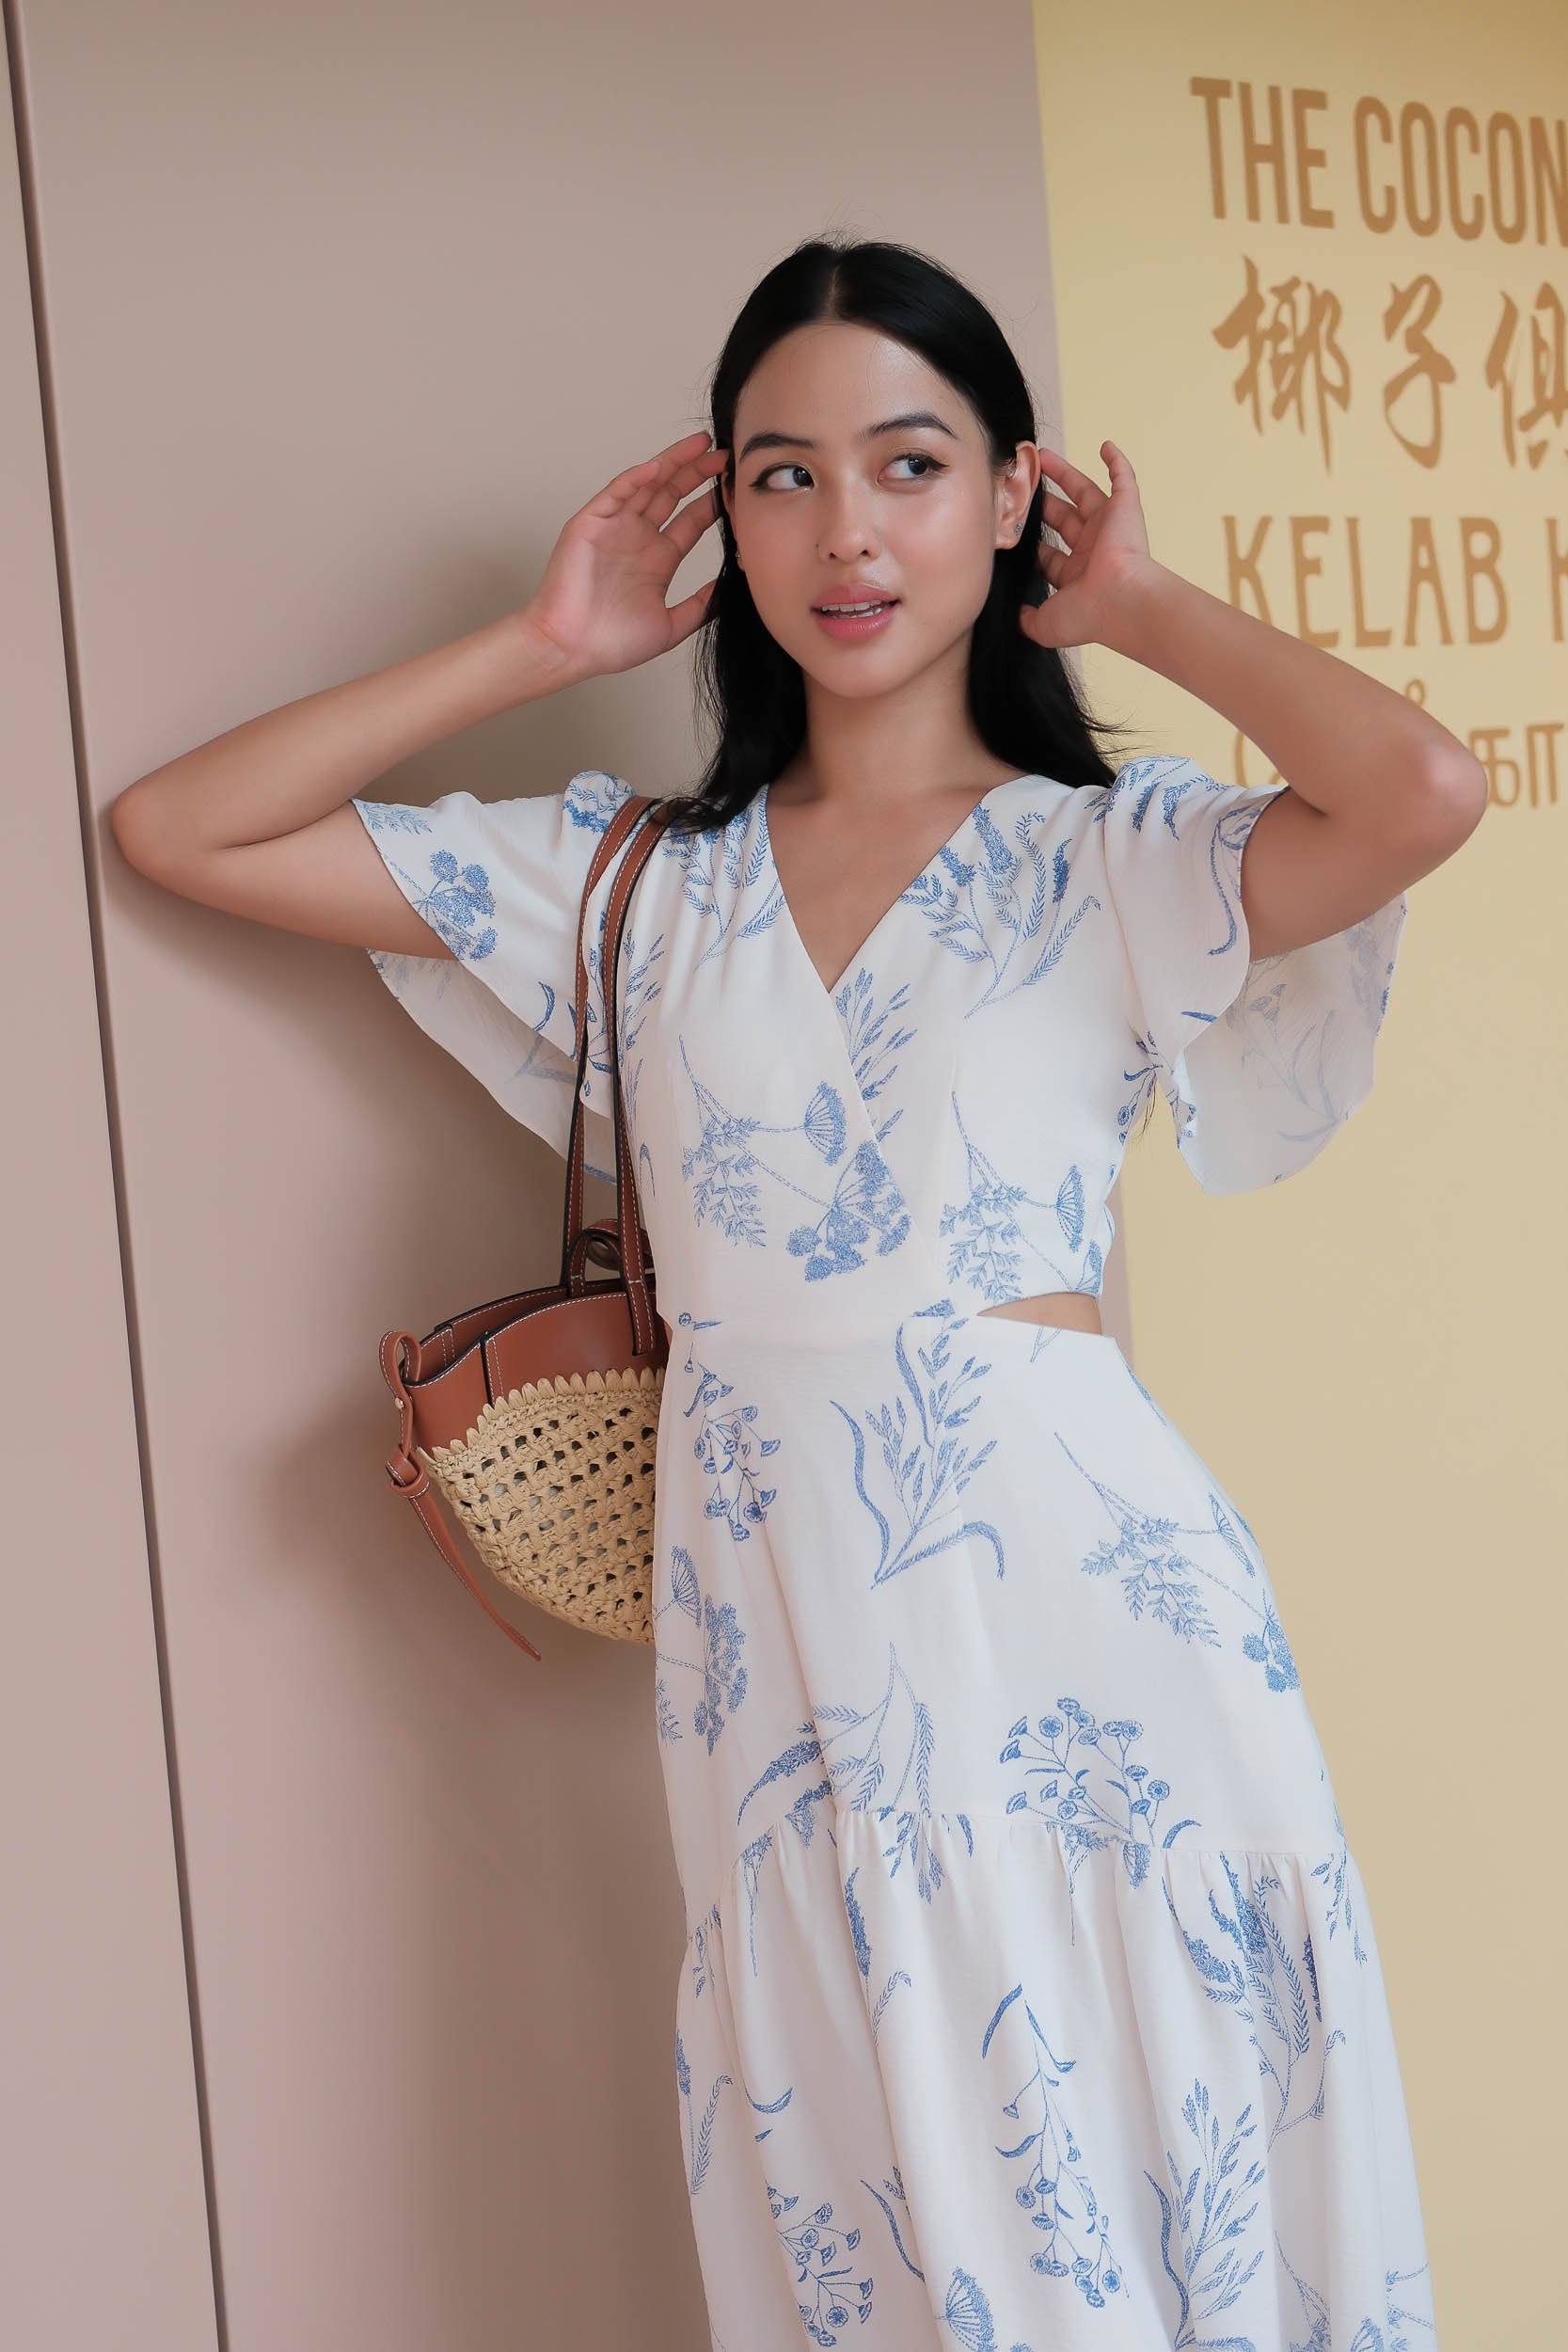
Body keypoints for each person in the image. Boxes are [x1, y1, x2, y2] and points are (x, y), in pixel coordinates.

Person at [114, 234, 1480, 2351]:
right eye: (784, 474)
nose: (847, 530)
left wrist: (1138, 607)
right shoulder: (635, 879)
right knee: (873, 2158)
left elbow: (1422, 793)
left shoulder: (1106, 856)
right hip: (778, 1645)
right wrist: (541, 641)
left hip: (1088, 1634)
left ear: (1010, 496)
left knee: (1155, 2146)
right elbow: (182, 828)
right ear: (726, 515)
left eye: (912, 465)